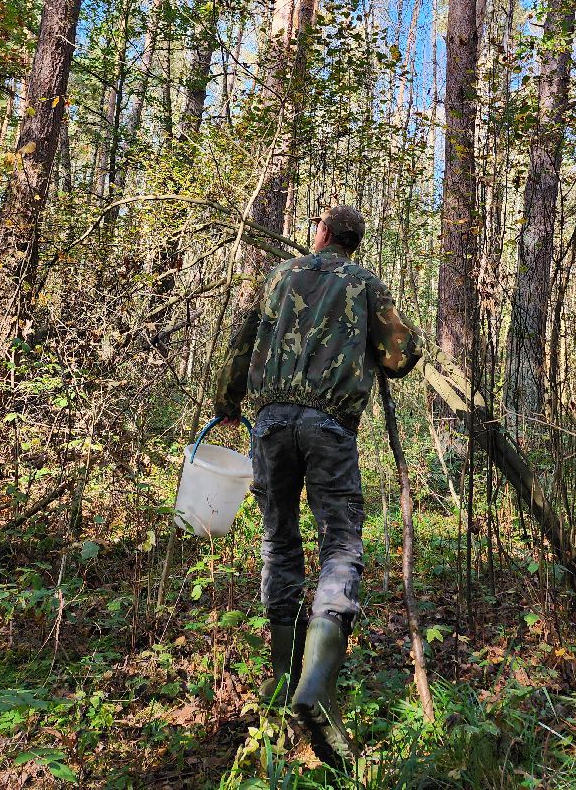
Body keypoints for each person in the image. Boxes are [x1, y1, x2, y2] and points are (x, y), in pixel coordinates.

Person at [214, 204, 423, 767]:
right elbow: (403, 354)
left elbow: (240, 342)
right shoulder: (366, 284)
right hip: (330, 427)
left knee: (279, 542)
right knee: (341, 544)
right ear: (353, 243)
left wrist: (226, 403)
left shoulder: (280, 275)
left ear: (323, 234)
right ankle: (314, 685)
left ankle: (282, 683)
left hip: (273, 424)